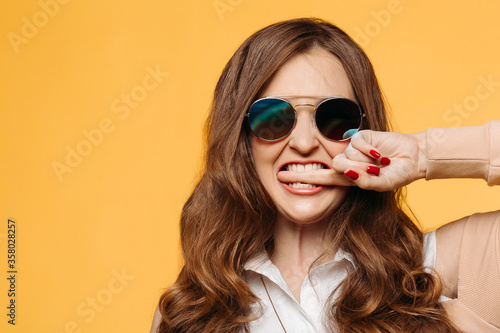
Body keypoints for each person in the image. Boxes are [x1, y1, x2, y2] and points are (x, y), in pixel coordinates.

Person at [151, 18, 500, 332]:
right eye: (274, 118)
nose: (303, 142)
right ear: (242, 140)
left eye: (335, 118)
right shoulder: (193, 311)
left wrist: (422, 154)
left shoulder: (436, 272)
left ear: (366, 133)